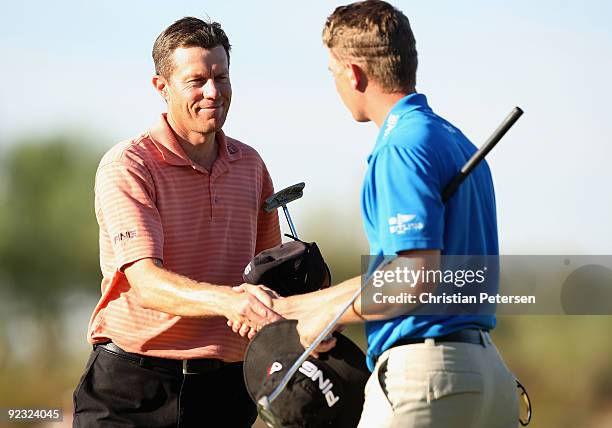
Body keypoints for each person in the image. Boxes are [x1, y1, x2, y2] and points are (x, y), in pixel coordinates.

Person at [235, 1, 519, 426]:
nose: (335, 85)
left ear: (353, 73)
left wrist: (324, 322)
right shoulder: (453, 139)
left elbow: (413, 276)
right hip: (487, 378)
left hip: (427, 379)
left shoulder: (400, 147)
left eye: (332, 74)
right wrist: (300, 310)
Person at [72, 16, 281, 428]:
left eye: (222, 77)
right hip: (132, 391)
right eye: (196, 80)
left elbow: (265, 273)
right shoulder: (128, 165)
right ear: (161, 87)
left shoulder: (251, 165)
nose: (213, 92)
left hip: (226, 392)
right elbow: (146, 283)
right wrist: (231, 301)